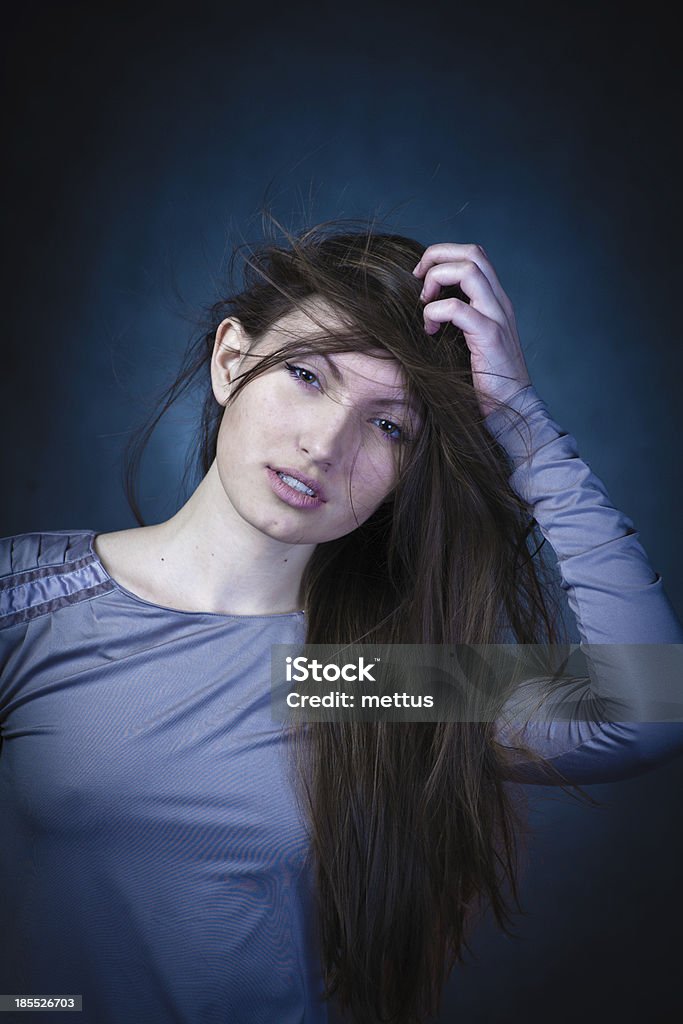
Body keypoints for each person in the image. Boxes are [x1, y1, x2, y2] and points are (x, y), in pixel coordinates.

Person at [1, 219, 682, 1024]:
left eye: (388, 425)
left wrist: (519, 424)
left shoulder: (353, 678)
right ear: (230, 362)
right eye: (305, 375)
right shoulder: (28, 601)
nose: (325, 443)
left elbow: (645, 704)